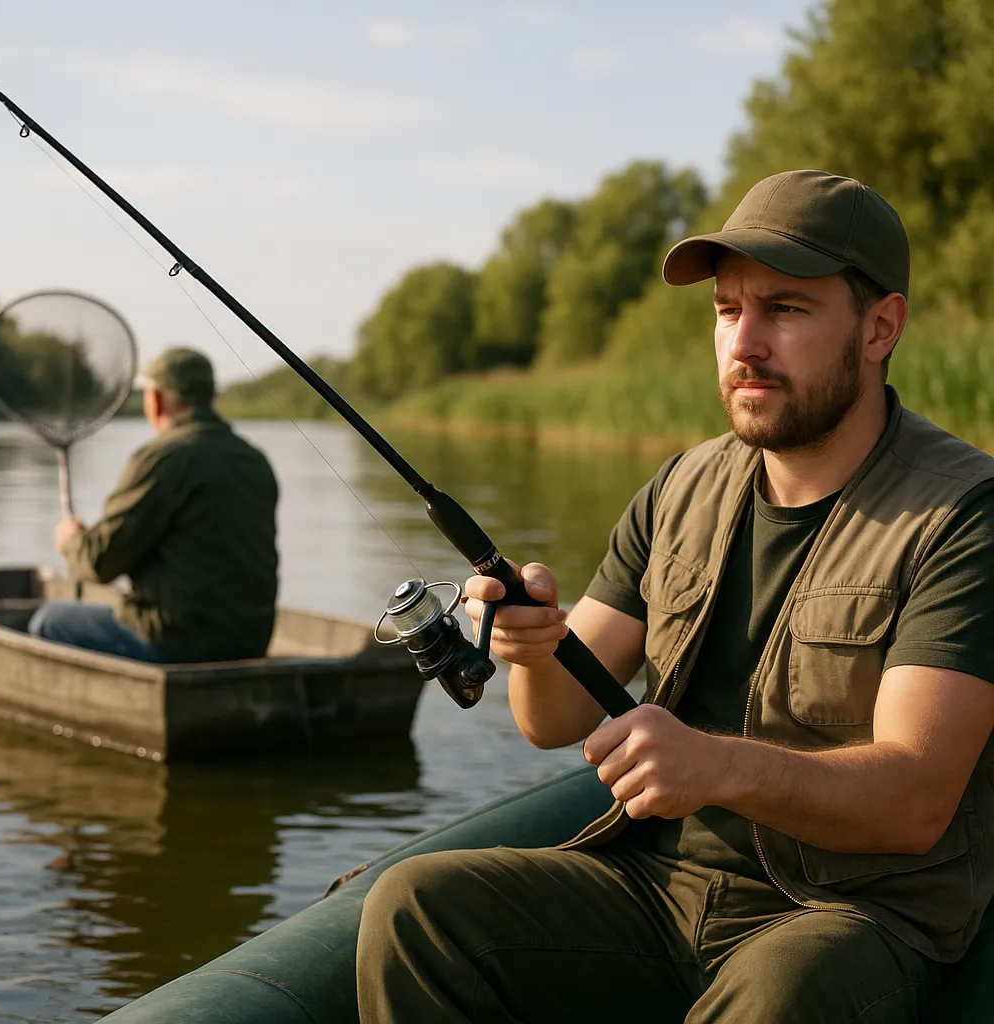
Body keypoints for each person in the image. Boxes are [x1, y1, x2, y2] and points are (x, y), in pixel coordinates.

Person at [354, 170, 994, 1022]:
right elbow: (551, 723)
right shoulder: (679, 488)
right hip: (657, 883)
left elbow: (916, 801)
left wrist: (717, 763)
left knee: (778, 996)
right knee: (414, 909)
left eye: (786, 310)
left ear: (881, 328)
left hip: (853, 912)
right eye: (728, 310)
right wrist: (534, 646)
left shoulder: (965, 512)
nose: (745, 343)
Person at [29, 346, 279, 664]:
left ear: (157, 399)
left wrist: (71, 542)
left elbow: (99, 562)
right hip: (250, 642)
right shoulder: (254, 460)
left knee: (49, 620)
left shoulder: (163, 457)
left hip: (176, 642)